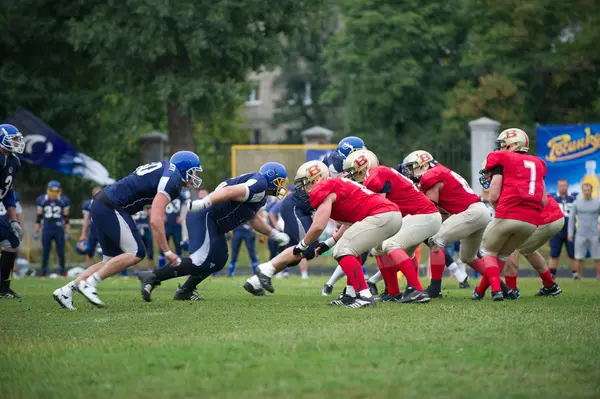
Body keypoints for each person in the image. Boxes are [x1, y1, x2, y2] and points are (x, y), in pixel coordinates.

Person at [52, 151, 203, 309]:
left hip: (102, 203)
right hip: (111, 206)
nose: (194, 177)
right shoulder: (172, 180)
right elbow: (156, 219)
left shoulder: (165, 169)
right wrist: (167, 251)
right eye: (193, 172)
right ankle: (90, 284)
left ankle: (66, 291)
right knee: (136, 252)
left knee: (110, 262)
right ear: (185, 169)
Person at [246, 160, 403, 308]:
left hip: (381, 216)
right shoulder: (338, 184)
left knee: (343, 250)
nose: (303, 187)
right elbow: (350, 223)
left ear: (315, 179)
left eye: (305, 182)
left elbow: (318, 226)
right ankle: (350, 294)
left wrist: (302, 245)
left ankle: (364, 295)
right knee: (349, 248)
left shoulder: (324, 188)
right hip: (389, 215)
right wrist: (329, 242)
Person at [138, 162, 290, 301]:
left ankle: (185, 290)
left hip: (214, 222)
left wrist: (273, 234)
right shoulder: (260, 184)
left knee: (218, 259)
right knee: (199, 259)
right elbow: (230, 191)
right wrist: (205, 202)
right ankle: (152, 276)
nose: (281, 186)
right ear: (271, 178)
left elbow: (252, 219)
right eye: (280, 182)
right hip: (205, 214)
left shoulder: (261, 195)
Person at [343, 149, 438, 302]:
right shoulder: (378, 173)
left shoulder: (376, 175)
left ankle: (417, 289)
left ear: (363, 168)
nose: (352, 176)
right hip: (416, 216)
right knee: (378, 247)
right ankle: (393, 292)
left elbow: (378, 209)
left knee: (390, 244)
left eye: (354, 171)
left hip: (424, 215)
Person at [402, 149, 491, 298]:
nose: (410, 172)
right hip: (479, 211)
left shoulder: (430, 175)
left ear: (422, 165)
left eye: (412, 167)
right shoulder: (441, 171)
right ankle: (501, 286)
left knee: (436, 240)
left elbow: (430, 208)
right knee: (468, 257)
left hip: (471, 212)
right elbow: (444, 212)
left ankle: (435, 289)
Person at [474, 128, 547, 301]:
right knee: (502, 255)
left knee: (487, 251)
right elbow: (543, 201)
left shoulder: (502, 158)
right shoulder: (538, 163)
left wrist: (499, 207)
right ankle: (480, 291)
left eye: (503, 144)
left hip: (509, 213)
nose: (500, 149)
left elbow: (493, 195)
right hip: (531, 221)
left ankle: (497, 291)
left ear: (513, 144)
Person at [502, 194, 563, 297]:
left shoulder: (507, 183)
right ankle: (550, 285)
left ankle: (511, 290)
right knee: (525, 249)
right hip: (555, 214)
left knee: (508, 246)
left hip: (545, 217)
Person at [0, 124, 24, 299]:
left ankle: (3, 289)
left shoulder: (14, 161)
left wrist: (14, 220)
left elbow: (9, 194)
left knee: (11, 241)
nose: (16, 142)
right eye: (13, 139)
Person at [34, 181, 71, 277]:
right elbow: (39, 217)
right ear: (48, 190)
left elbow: (66, 218)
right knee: (45, 251)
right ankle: (43, 273)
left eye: (56, 191)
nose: (55, 193)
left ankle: (63, 272)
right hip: (47, 229)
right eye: (52, 191)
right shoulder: (42, 200)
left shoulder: (63, 200)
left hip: (59, 229)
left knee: (61, 251)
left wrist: (67, 231)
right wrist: (36, 230)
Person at [568, 182, 600, 279]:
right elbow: (571, 219)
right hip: (580, 234)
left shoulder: (598, 202)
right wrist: (570, 234)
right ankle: (579, 277)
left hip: (595, 234)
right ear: (582, 191)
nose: (587, 192)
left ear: (591, 190)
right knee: (579, 257)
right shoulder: (576, 203)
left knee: (597, 257)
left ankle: (599, 276)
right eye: (585, 190)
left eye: (588, 190)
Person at [549, 179, 577, 278]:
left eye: (564, 185)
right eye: (561, 185)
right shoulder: (552, 197)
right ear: (557, 186)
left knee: (573, 253)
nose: (562, 187)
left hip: (570, 229)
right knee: (554, 253)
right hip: (556, 229)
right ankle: (552, 274)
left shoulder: (573, 197)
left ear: (567, 186)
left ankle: (575, 274)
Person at [157, 188, 190, 268]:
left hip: (176, 225)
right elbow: (157, 205)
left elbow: (187, 205)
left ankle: (181, 270)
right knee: (162, 248)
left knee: (178, 247)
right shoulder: (164, 194)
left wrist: (182, 216)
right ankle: (161, 270)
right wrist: (161, 215)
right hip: (166, 224)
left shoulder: (181, 195)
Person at [79, 187, 102, 269]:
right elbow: (86, 220)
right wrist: (83, 234)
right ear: (93, 195)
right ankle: (89, 271)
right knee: (89, 252)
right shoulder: (89, 204)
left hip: (104, 230)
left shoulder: (107, 202)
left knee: (105, 253)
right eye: (96, 193)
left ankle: (104, 272)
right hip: (93, 230)